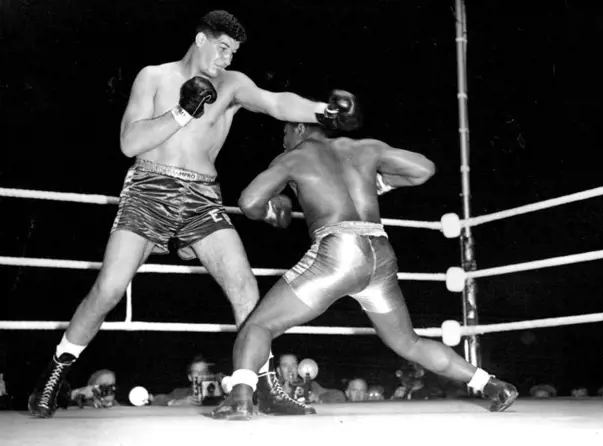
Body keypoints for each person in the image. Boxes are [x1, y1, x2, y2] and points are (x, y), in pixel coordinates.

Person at [27, 10, 361, 419]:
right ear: (201, 39)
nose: (227, 60)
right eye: (222, 49)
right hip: (150, 189)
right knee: (109, 291)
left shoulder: (234, 84)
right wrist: (182, 111)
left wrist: (323, 112)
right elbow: (129, 143)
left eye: (233, 53)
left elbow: (276, 103)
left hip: (202, 197)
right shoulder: (153, 77)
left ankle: (265, 385)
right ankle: (53, 376)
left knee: (243, 285)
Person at [221, 121, 518, 420]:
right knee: (409, 342)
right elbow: (424, 169)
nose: (282, 140)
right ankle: (493, 385)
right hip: (380, 253)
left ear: (299, 128)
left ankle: (241, 399)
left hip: (339, 251)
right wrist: (381, 183)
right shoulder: (363, 147)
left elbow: (248, 201)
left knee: (258, 326)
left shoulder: (293, 157)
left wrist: (271, 212)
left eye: (284, 132)